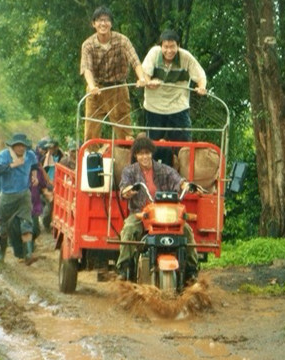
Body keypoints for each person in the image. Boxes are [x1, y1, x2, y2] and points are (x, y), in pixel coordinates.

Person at [116, 136, 199, 281]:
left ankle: (192, 270)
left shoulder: (163, 169)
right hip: (141, 213)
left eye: (147, 153)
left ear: (152, 153)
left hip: (166, 214)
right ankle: (124, 269)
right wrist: (127, 191)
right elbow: (124, 187)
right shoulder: (129, 171)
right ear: (136, 155)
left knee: (187, 231)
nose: (145, 157)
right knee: (128, 230)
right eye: (141, 154)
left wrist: (185, 185)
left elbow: (177, 179)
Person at [80, 6, 147, 143]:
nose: (103, 23)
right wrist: (92, 86)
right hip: (97, 90)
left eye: (106, 20)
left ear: (111, 23)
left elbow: (135, 61)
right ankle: (91, 159)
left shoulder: (122, 40)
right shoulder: (88, 44)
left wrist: (141, 78)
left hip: (118, 89)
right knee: (90, 132)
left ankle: (128, 159)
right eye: (99, 20)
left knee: (125, 132)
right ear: (93, 24)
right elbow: (87, 68)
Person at [141, 29, 207, 144]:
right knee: (151, 145)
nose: (169, 50)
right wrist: (148, 82)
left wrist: (201, 87)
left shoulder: (186, 57)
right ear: (160, 46)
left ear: (178, 46)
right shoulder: (154, 53)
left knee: (183, 146)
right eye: (165, 47)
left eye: (172, 47)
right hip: (154, 106)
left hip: (178, 106)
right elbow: (144, 74)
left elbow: (201, 76)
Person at [0, 133, 39, 265]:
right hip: (7, 195)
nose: (20, 148)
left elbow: (34, 165)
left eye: (23, 146)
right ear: (12, 146)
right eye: (18, 146)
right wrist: (13, 165)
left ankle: (28, 254)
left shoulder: (30, 155)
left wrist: (34, 176)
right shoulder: (4, 155)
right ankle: (2, 251)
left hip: (24, 193)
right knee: (4, 226)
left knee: (27, 222)